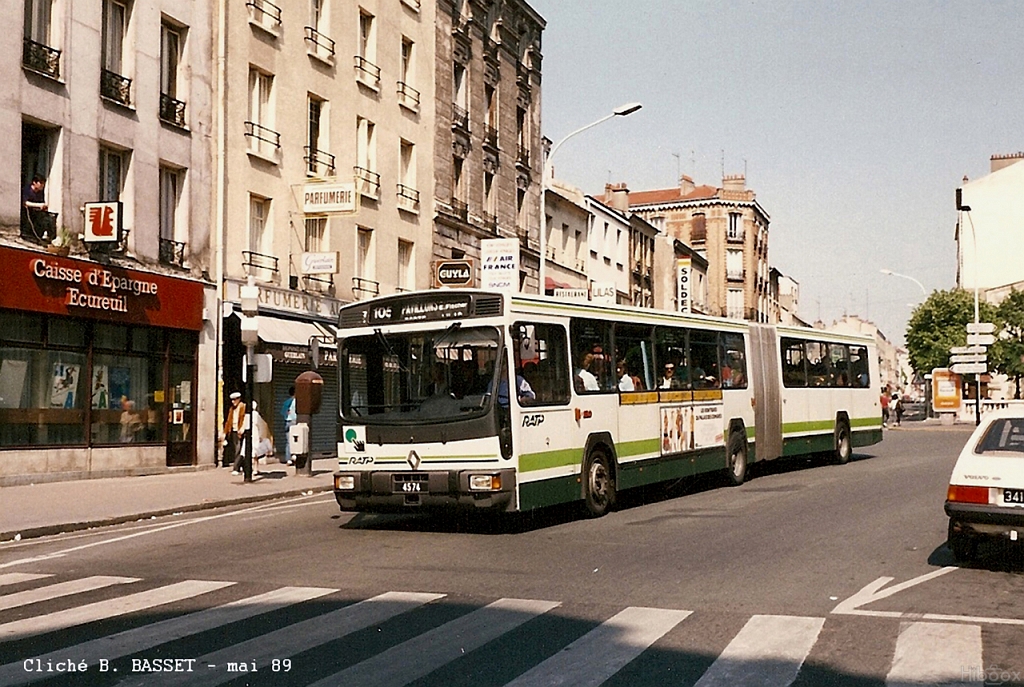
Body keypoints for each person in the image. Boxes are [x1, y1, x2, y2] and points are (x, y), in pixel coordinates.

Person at [21, 175, 53, 242]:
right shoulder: (27, 190)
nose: (42, 185)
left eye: (43, 183)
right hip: (27, 211)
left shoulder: (40, 192)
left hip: (36, 211)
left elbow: (41, 202)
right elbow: (25, 203)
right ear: (34, 183)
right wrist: (38, 205)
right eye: (40, 183)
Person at [224, 392, 245, 469]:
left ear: (239, 399)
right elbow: (229, 421)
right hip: (233, 431)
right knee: (237, 448)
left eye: (235, 400)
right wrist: (225, 432)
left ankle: (236, 467)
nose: (233, 402)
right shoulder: (232, 409)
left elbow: (245, 419)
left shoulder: (243, 407)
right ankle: (243, 465)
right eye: (232, 400)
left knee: (238, 449)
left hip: (240, 431)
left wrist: (242, 428)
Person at [281, 386, 297, 465]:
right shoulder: (297, 401)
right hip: (295, 421)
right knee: (296, 440)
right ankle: (294, 455)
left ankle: (288, 459)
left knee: (288, 441)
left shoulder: (287, 402)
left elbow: (283, 412)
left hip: (287, 421)